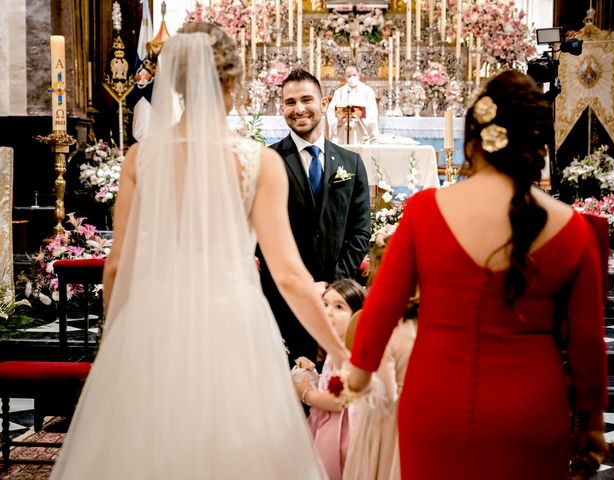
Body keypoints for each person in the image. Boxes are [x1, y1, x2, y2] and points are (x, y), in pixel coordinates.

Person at [50, 23, 349, 479]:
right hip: (232, 323)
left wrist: (115, 342)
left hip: (151, 320)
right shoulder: (257, 162)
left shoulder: (141, 157)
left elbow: (118, 266)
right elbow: (289, 275)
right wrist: (340, 352)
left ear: (180, 83)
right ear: (232, 83)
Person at [348, 70, 609, 480]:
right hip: (532, 412)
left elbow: (381, 307)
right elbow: (588, 344)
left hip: (436, 405)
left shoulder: (425, 211)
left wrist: (358, 377)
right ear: (537, 142)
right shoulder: (573, 229)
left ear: (473, 139)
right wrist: (592, 422)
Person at [258, 69, 370, 365]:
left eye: (307, 99)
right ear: (281, 108)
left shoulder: (351, 163)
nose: (299, 109)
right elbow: (260, 235)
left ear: (324, 103)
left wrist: (332, 286)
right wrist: (303, 284)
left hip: (340, 300)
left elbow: (360, 232)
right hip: (283, 299)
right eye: (290, 102)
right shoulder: (267, 161)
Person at [343, 233, 417, 480]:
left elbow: (382, 392)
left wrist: (351, 383)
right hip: (418, 423)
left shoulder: (378, 325)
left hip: (384, 427)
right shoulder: (425, 321)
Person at [293, 279, 366, 480]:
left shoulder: (352, 354)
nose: (328, 312)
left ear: (356, 315)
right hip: (324, 423)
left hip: (340, 432)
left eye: (339, 307)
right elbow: (329, 384)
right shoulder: (333, 348)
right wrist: (312, 374)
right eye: (324, 304)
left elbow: (339, 400)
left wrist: (305, 392)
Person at [326, 65, 379, 144]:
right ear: (345, 77)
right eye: (349, 76)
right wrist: (338, 122)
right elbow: (330, 112)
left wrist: (362, 120)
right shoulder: (339, 92)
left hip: (360, 133)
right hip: (343, 132)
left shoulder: (367, 91)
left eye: (354, 75)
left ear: (359, 74)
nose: (352, 78)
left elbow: (373, 113)